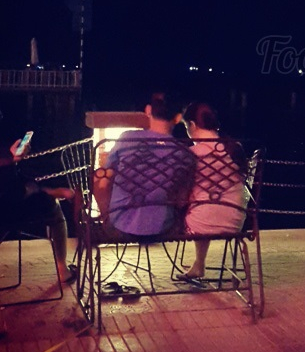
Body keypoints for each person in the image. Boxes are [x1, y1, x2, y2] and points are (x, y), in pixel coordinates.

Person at [0, 96, 76, 284]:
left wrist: (12, 160)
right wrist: (32, 187)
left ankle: (53, 192)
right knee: (52, 207)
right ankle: (63, 271)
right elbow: (14, 194)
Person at [93, 92, 195, 236]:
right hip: (163, 227)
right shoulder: (184, 153)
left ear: (148, 110)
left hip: (121, 225)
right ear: (178, 118)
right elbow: (181, 200)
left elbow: (105, 175)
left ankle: (106, 219)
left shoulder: (127, 139)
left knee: (101, 175)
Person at [179, 101, 249, 280]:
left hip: (200, 223)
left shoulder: (192, 154)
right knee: (204, 205)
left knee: (194, 206)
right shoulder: (235, 148)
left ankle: (198, 264)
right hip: (235, 221)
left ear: (192, 125)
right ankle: (198, 265)